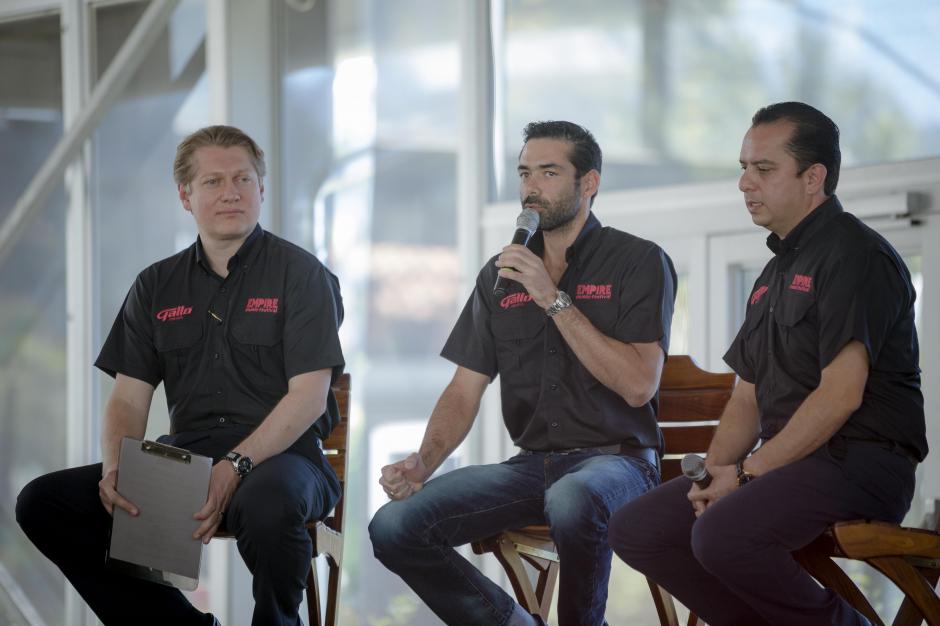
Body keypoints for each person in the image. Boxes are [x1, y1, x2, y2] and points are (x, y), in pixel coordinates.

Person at [608, 102, 927, 626]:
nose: (744, 183)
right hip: (793, 469)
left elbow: (841, 393)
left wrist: (749, 473)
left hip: (863, 464)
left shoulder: (854, 253)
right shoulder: (773, 274)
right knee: (638, 528)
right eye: (742, 168)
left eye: (763, 168)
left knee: (723, 534)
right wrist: (714, 477)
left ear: (813, 177)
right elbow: (746, 397)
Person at [16, 125, 345, 626]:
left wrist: (234, 464)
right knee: (44, 503)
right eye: (213, 182)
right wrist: (115, 468)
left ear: (262, 189)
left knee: (269, 502)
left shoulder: (302, 275)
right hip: (186, 461)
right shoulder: (155, 285)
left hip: (284, 461)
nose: (231, 192)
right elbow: (129, 398)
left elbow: (309, 395)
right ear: (185, 196)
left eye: (242, 179)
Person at [368, 120, 677, 626]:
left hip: (619, 464)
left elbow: (638, 384)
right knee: (395, 525)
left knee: (574, 496)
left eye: (550, 172)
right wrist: (423, 463)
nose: (531, 187)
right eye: (525, 173)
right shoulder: (499, 274)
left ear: (589, 183)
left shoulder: (638, 260)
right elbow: (465, 388)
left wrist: (552, 299)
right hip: (532, 467)